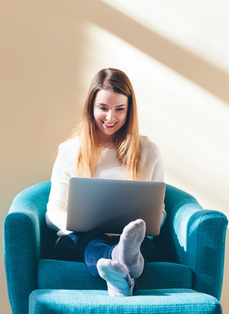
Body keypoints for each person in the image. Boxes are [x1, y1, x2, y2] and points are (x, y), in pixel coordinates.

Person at [45, 68, 165, 297]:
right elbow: (53, 211)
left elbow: (160, 212)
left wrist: (145, 223)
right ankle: (123, 261)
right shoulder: (70, 150)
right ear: (91, 107)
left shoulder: (149, 151)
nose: (111, 118)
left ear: (130, 110)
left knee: (138, 244)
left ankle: (120, 269)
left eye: (120, 109)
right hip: (80, 240)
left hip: (132, 240)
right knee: (89, 239)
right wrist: (75, 226)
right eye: (103, 108)